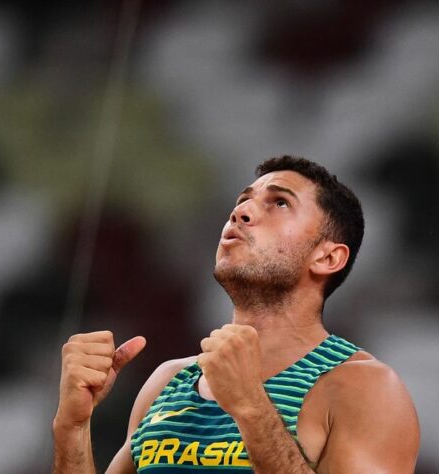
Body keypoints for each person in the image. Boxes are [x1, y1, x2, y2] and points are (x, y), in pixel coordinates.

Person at [53, 155, 420, 473]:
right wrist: (72, 428)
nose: (240, 212)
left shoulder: (364, 388)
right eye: (243, 200)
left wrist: (251, 407)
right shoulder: (169, 382)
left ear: (327, 257)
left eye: (280, 203)